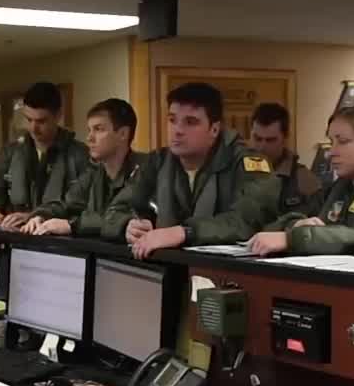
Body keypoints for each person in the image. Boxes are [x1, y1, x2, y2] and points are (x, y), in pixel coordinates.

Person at [103, 82, 278, 259]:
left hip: (227, 273)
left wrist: (185, 232)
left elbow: (247, 221)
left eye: (190, 122)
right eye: (172, 120)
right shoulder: (158, 161)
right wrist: (127, 226)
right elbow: (114, 211)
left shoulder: (247, 162)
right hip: (167, 268)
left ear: (214, 129)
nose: (177, 130)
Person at [246, 106, 354, 257]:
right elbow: (276, 227)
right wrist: (295, 225)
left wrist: (295, 238)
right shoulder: (339, 187)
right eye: (332, 142)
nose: (330, 153)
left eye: (342, 142)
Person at [22, 98, 145, 237]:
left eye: (98, 129)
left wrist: (72, 225)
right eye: (89, 130)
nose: (89, 138)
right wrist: (40, 216)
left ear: (123, 134)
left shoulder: (145, 170)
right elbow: (65, 204)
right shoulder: (94, 173)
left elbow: (120, 218)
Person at [0, 82, 89, 230]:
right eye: (28, 119)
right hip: (15, 242)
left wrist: (34, 216)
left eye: (41, 121)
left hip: (61, 246)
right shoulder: (9, 153)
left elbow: (84, 207)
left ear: (58, 116)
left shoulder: (80, 155)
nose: (33, 128)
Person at [249, 102, 322, 213]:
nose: (262, 147)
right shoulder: (235, 172)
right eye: (257, 138)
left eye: (271, 140)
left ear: (285, 138)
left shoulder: (305, 180)